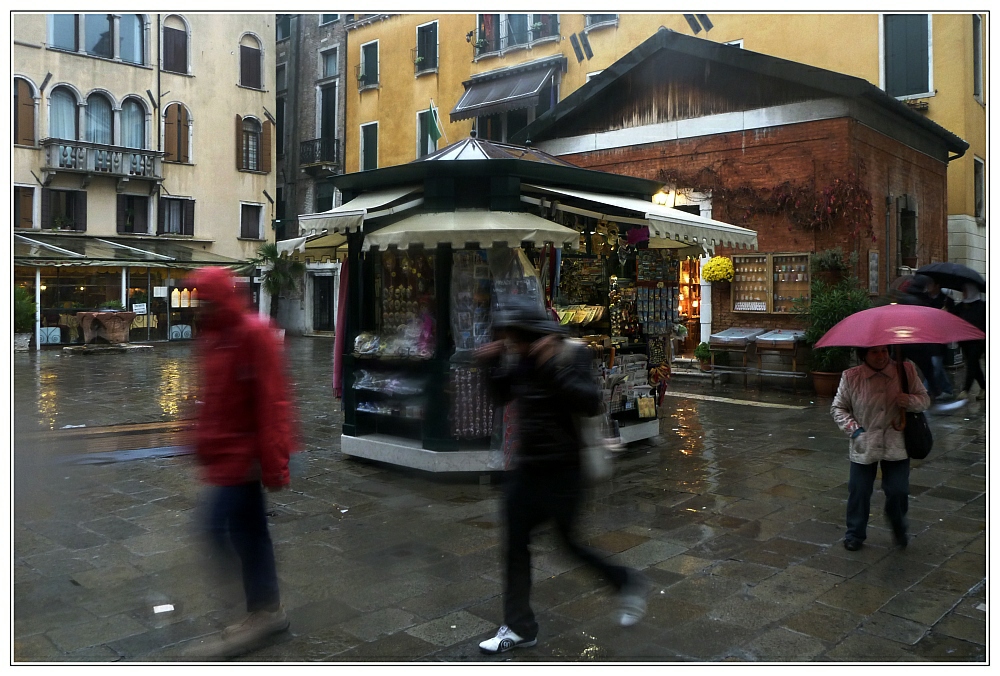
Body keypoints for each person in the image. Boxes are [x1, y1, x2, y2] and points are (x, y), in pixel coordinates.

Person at [475, 296, 648, 655]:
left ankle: (625, 581)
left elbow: (588, 401)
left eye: (516, 338)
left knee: (569, 543)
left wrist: (552, 367)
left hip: (565, 470)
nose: (513, 345)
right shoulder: (521, 356)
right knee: (514, 546)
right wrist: (490, 365)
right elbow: (501, 395)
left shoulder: (571, 353)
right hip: (527, 467)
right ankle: (520, 627)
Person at [183, 267, 297, 659]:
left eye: (204, 299)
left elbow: (272, 402)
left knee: (220, 528)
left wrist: (275, 462)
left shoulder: (252, 333)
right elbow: (212, 398)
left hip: (245, 457)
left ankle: (263, 608)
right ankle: (265, 610)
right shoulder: (214, 336)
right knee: (248, 531)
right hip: (226, 456)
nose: (198, 306)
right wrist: (200, 440)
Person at [831, 345, 930, 551]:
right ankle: (855, 534)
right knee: (859, 490)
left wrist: (909, 400)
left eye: (884, 351)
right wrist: (855, 430)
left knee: (898, 490)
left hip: (897, 442)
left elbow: (924, 399)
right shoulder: (851, 377)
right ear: (863, 355)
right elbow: (838, 408)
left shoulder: (905, 370)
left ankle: (898, 525)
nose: (881, 356)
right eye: (874, 352)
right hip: (864, 443)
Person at [923, 279, 956, 401]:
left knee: (935, 364)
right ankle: (947, 389)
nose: (928, 286)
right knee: (936, 366)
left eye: (930, 284)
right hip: (927, 336)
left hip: (940, 338)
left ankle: (924, 391)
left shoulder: (947, 301)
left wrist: (946, 315)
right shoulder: (924, 299)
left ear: (937, 285)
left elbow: (953, 321)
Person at [953, 283, 986, 400]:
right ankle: (984, 387)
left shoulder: (983, 306)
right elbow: (953, 316)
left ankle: (966, 390)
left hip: (978, 342)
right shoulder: (961, 306)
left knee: (972, 363)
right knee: (974, 365)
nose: (963, 293)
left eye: (965, 291)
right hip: (965, 341)